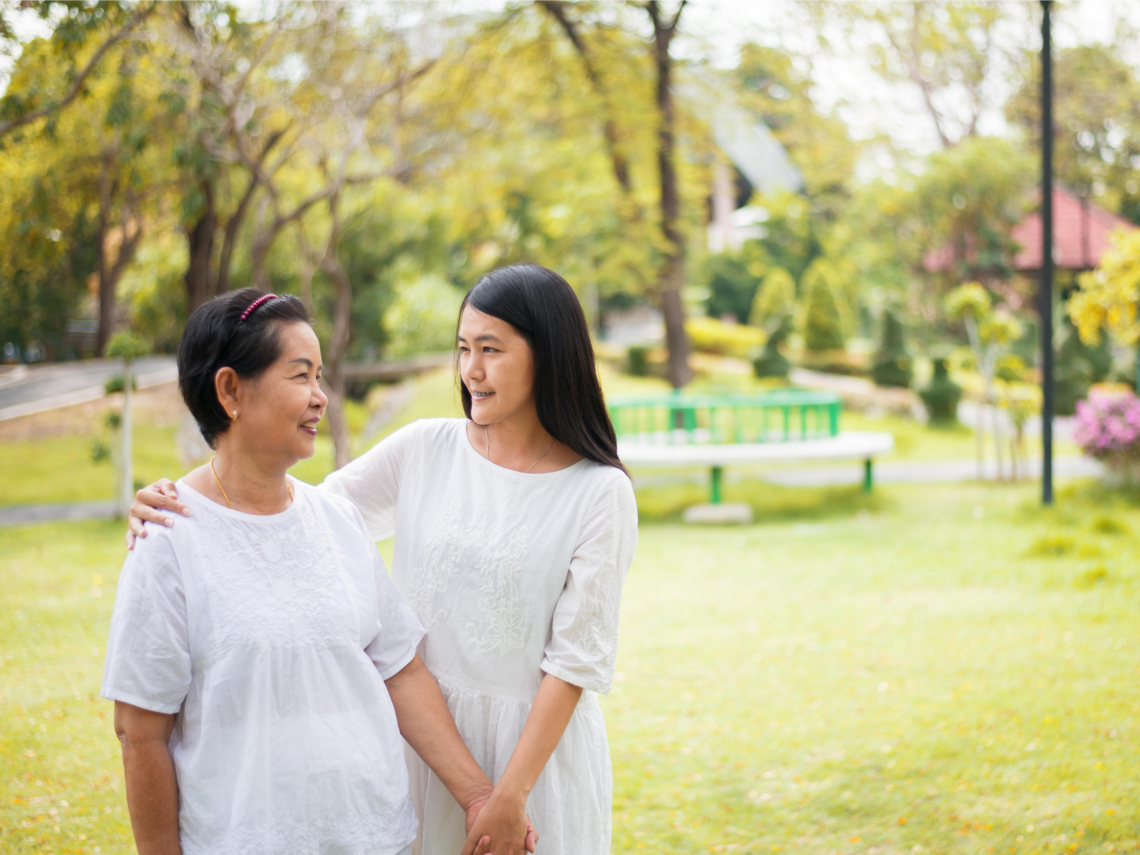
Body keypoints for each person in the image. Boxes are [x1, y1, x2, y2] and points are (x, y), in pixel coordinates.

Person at [128, 265, 640, 855]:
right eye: (464, 348)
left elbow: (575, 661)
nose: (471, 370)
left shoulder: (598, 492)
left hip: (535, 764)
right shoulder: (425, 449)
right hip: (420, 743)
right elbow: (306, 517)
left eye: (492, 350)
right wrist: (185, 499)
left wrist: (507, 794)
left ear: (549, 355)